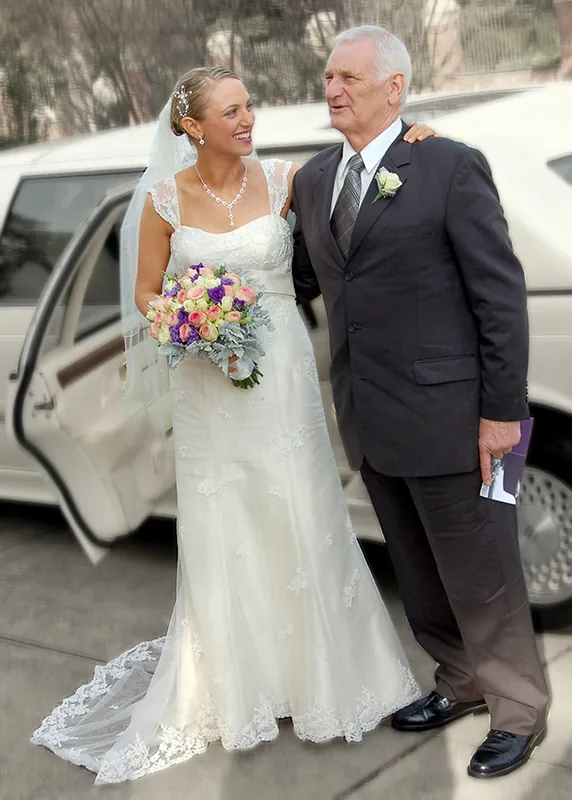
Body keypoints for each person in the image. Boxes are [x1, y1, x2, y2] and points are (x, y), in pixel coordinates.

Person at [30, 67, 435, 785]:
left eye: (250, 105)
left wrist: (417, 137)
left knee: (301, 512)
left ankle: (323, 678)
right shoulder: (160, 200)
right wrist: (189, 327)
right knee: (229, 522)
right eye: (231, 110)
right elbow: (147, 293)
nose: (249, 118)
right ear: (192, 126)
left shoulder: (286, 181)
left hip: (279, 376)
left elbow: (365, 174)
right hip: (206, 384)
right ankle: (238, 685)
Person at [292, 25, 549, 781]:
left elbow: (499, 299)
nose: (332, 89)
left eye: (349, 77)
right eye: (328, 76)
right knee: (417, 570)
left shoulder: (447, 166)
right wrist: (210, 305)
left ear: (395, 89)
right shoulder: (310, 180)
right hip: (368, 419)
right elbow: (304, 281)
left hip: (457, 420)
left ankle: (519, 710)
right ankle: (460, 681)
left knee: (484, 574)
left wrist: (503, 412)